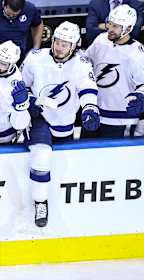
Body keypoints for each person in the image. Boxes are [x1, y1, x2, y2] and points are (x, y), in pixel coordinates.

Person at [20, 21, 100, 227]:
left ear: (74, 46)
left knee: (62, 164)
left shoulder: (81, 63)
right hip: (40, 117)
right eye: (57, 42)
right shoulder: (36, 59)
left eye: (65, 44)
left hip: (65, 120)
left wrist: (90, 108)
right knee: (41, 156)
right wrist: (28, 101)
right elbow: (20, 85)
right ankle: (40, 203)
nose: (59, 47)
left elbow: (87, 88)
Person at [84, 5, 144, 138]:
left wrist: (141, 95)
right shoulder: (100, 40)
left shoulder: (137, 53)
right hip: (95, 114)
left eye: (116, 26)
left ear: (128, 28)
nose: (110, 29)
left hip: (121, 119)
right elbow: (85, 63)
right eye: (110, 23)